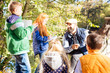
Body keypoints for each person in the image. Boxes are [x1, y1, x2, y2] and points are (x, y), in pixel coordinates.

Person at [6, 1, 35, 73]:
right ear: (15, 10)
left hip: (16, 48)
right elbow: (22, 34)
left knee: (18, 68)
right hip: (20, 49)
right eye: (20, 9)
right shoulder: (16, 21)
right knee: (26, 69)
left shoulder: (11, 20)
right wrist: (31, 27)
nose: (22, 11)